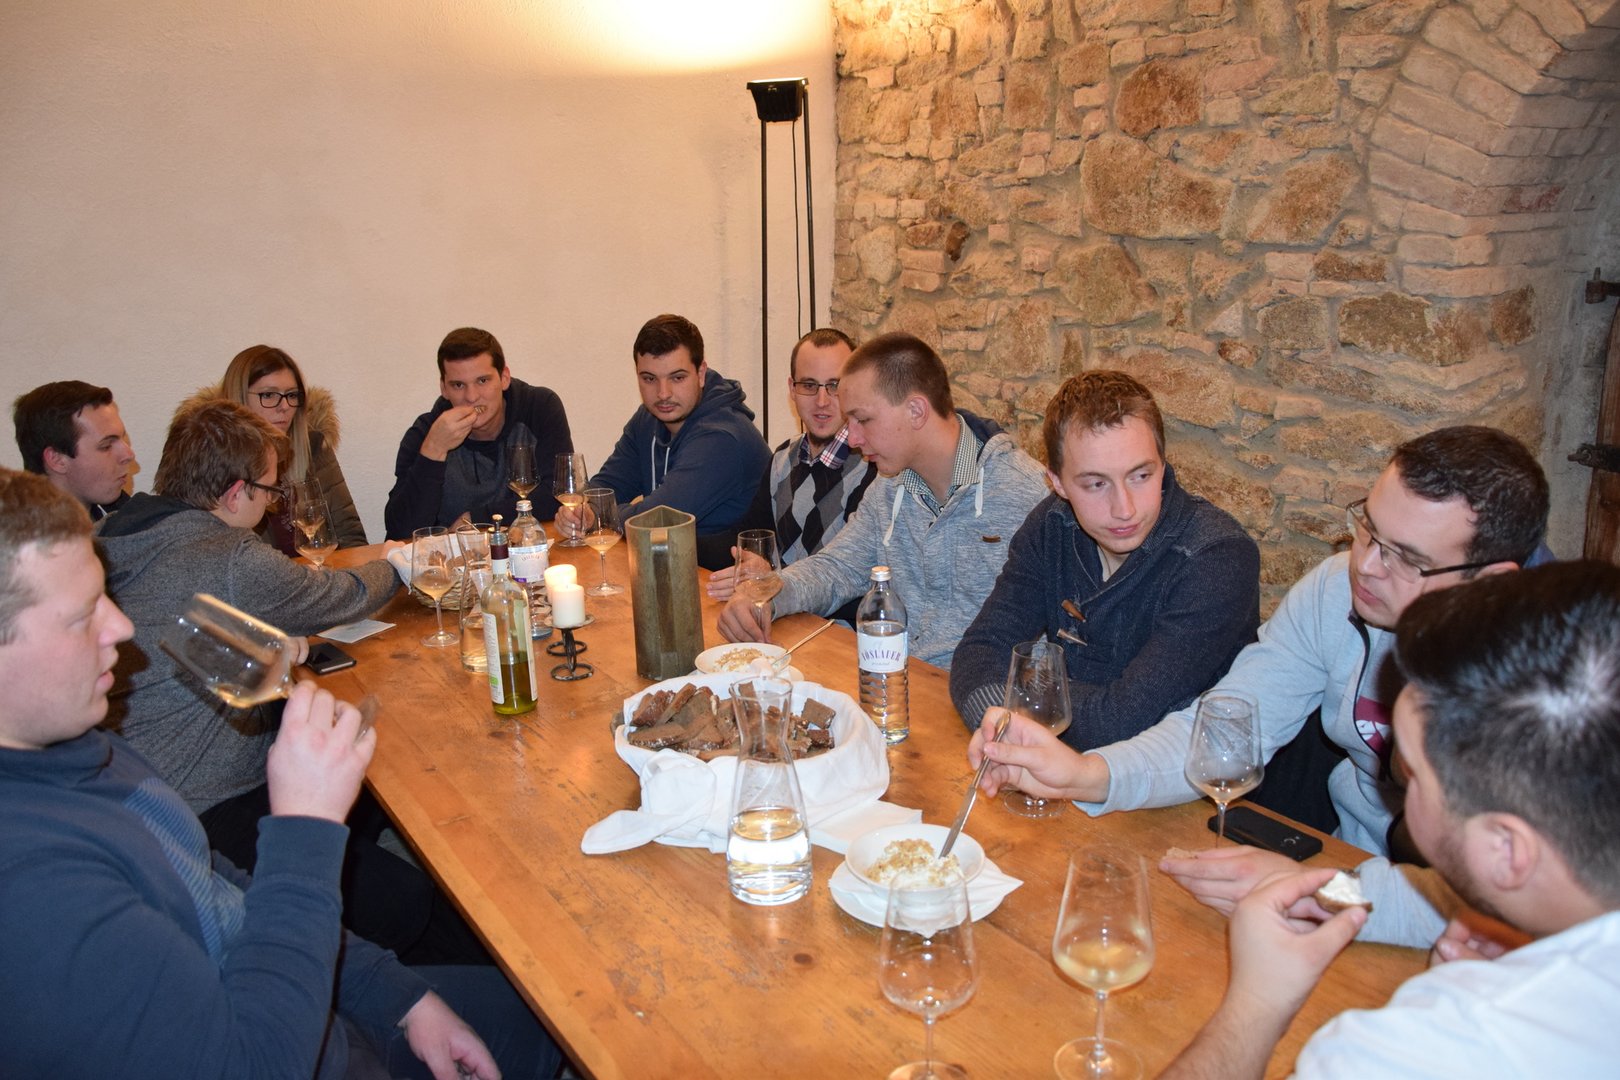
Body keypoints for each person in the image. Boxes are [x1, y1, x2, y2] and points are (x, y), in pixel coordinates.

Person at [0, 467, 561, 1079]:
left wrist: (397, 995)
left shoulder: (80, 750)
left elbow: (220, 890)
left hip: (317, 1008)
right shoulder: (32, 885)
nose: (123, 626)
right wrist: (304, 828)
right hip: (292, 1047)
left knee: (540, 1005)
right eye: (82, 615)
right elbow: (256, 1064)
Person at [971, 425, 1550, 944]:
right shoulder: (1335, 592)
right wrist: (1086, 775)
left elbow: (1515, 905)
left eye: (1407, 559)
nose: (1367, 565)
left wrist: (1320, 891)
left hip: (1434, 916)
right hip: (1348, 865)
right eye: (1369, 529)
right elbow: (1224, 728)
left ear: (1491, 582)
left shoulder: (1552, 689)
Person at [1161, 561, 1620, 1079]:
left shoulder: (1422, 1050)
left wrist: (1257, 1002)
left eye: (1413, 774)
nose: (1392, 779)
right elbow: (1436, 899)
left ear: (1507, 850)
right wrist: (1328, 891)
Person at [950, 371, 1260, 750]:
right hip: (1057, 763)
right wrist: (1004, 726)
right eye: (1096, 484)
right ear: (1057, 483)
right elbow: (979, 652)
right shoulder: (1051, 526)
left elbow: (1122, 722)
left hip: (1186, 778)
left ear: (1163, 465)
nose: (1124, 509)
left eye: (1141, 475)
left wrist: (1020, 704)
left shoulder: (1217, 557)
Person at [717, 331, 1050, 668]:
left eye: (862, 419)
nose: (852, 438)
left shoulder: (1027, 495)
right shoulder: (889, 487)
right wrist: (766, 595)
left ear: (916, 411)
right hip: (900, 679)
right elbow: (837, 568)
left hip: (985, 693)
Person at [558, 313, 771, 569]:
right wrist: (582, 511)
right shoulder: (647, 418)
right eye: (649, 379)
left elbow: (654, 524)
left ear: (701, 373)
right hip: (673, 568)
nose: (663, 393)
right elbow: (603, 489)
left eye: (677, 377)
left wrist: (596, 516)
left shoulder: (723, 438)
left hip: (725, 580)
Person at [706, 327, 878, 615]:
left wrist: (773, 577)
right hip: (782, 619)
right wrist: (677, 542)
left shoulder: (875, 468)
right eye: (809, 385)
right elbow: (750, 538)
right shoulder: (782, 458)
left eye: (834, 385)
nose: (822, 401)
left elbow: (852, 578)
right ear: (792, 389)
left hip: (837, 633)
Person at [385, 326, 573, 538]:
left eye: (482, 381)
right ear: (444, 388)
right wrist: (433, 451)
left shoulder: (539, 408)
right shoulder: (426, 433)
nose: (472, 397)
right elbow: (399, 531)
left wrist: (477, 519)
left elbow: (560, 495)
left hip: (528, 550)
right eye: (458, 385)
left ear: (504, 378)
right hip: (454, 557)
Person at [206, 343, 368, 549]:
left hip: (324, 568)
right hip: (262, 571)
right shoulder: (212, 464)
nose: (284, 407)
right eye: (268, 395)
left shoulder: (313, 447)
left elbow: (351, 538)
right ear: (238, 398)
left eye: (291, 395)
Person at [12, 379, 137, 520]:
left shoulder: (121, 519)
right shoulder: (17, 531)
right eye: (106, 446)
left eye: (123, 439)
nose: (128, 455)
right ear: (57, 459)